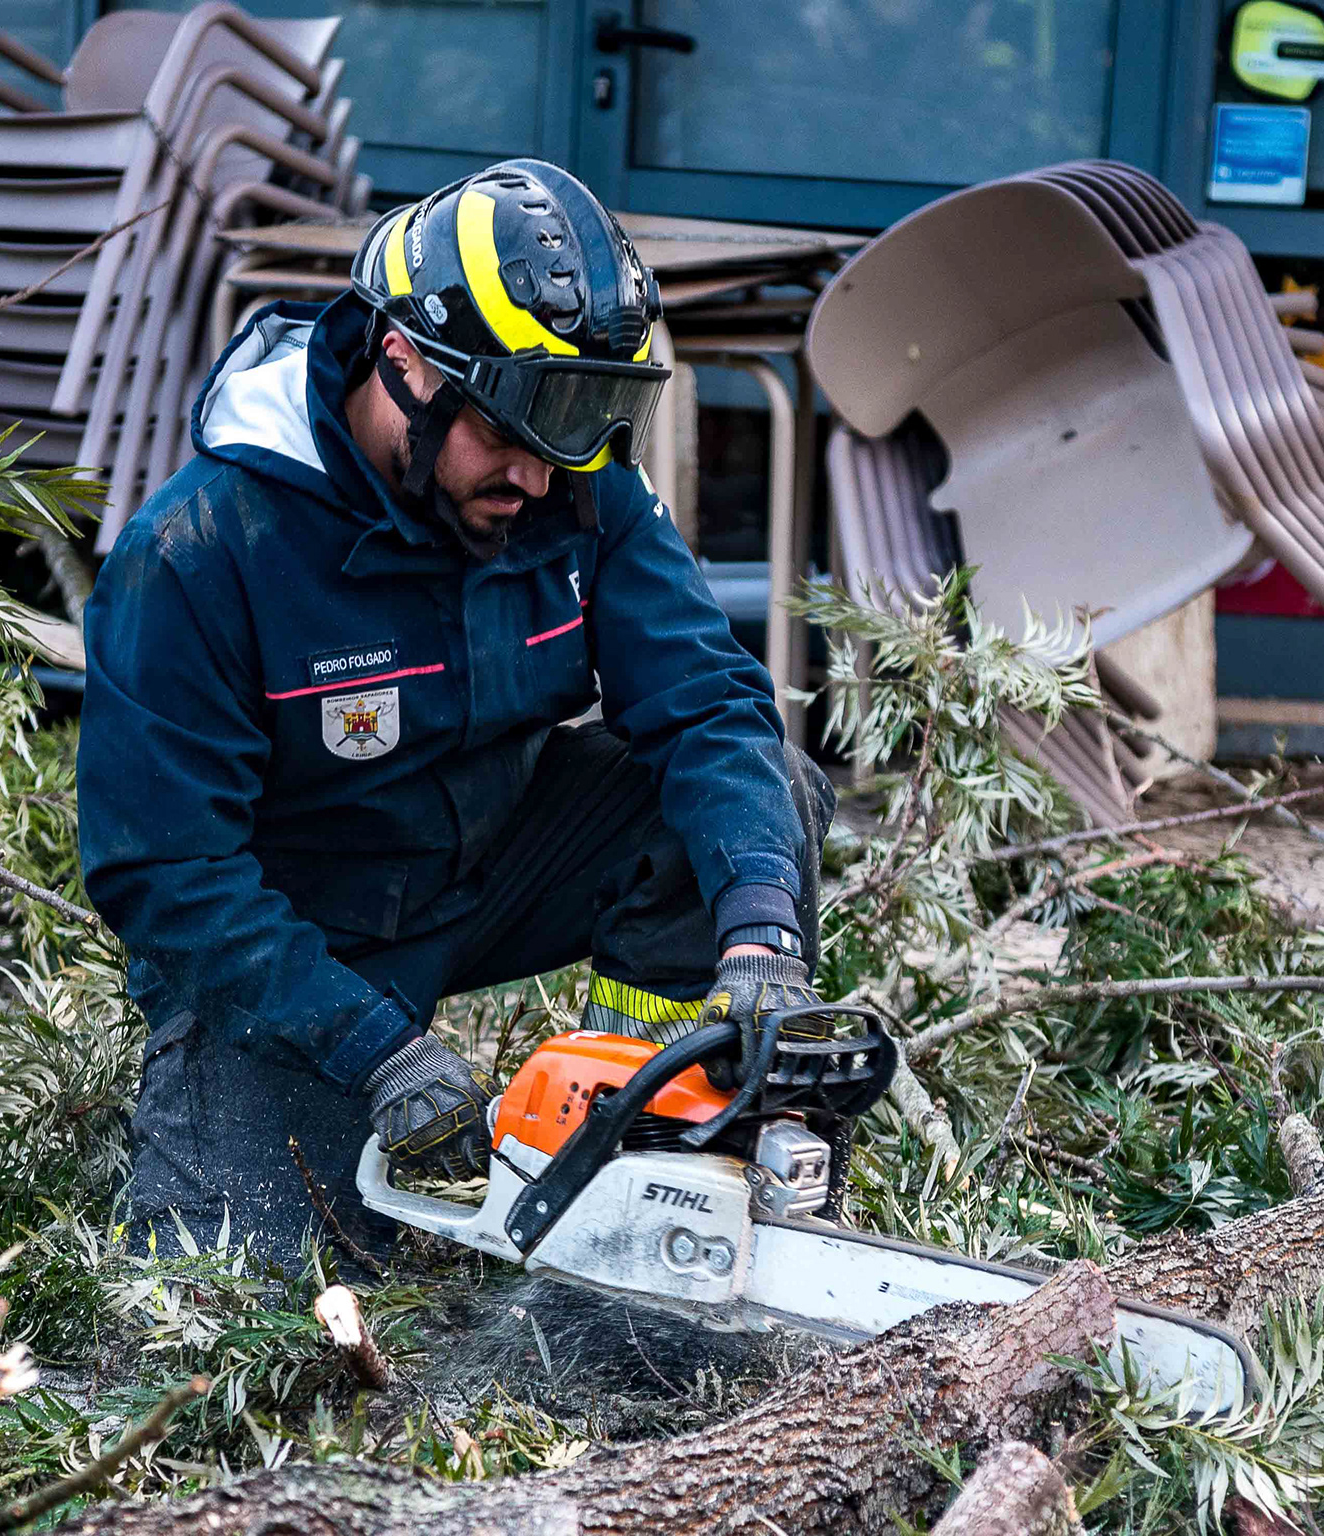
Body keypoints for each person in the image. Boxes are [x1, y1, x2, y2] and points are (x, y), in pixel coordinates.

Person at [77, 159, 835, 1265]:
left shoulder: (572, 483)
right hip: (303, 939)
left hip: (493, 862)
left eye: (578, 421)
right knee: (235, 1288)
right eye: (516, 426)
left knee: (762, 800)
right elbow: (166, 874)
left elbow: (709, 706)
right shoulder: (202, 551)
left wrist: (762, 931)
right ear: (402, 364)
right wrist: (370, 1047)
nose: (539, 474)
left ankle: (649, 1144)